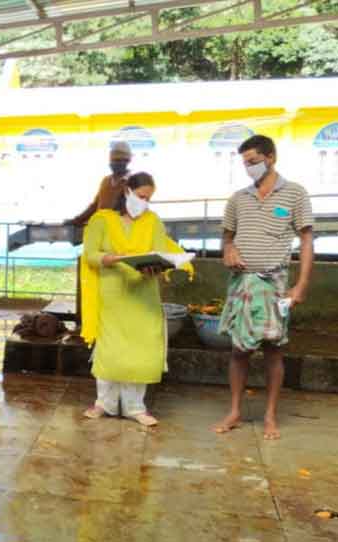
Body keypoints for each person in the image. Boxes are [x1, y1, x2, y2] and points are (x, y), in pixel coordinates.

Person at [212, 135, 314, 441]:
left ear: (271, 158)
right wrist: (228, 250)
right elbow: (227, 238)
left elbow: (307, 241)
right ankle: (234, 411)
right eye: (245, 163)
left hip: (276, 283)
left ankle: (270, 415)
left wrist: (301, 286)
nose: (249, 168)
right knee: (239, 350)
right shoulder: (238, 199)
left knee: (274, 350)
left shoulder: (295, 194)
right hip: (242, 282)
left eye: (253, 161)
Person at [80, 173, 192, 427]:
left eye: (148, 198)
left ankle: (135, 406)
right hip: (112, 293)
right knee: (110, 348)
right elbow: (89, 255)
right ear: (127, 191)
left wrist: (157, 267)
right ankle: (103, 403)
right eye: (141, 196)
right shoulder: (102, 220)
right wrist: (110, 258)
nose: (144, 202)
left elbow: (158, 251)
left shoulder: (152, 221)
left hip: (144, 292)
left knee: (142, 347)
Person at [67, 142, 133, 321]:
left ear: (128, 161)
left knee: (114, 277)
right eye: (114, 160)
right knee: (96, 276)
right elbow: (95, 205)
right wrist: (77, 220)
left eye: (121, 160)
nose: (117, 163)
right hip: (98, 235)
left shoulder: (131, 182)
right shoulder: (106, 181)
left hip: (116, 237)